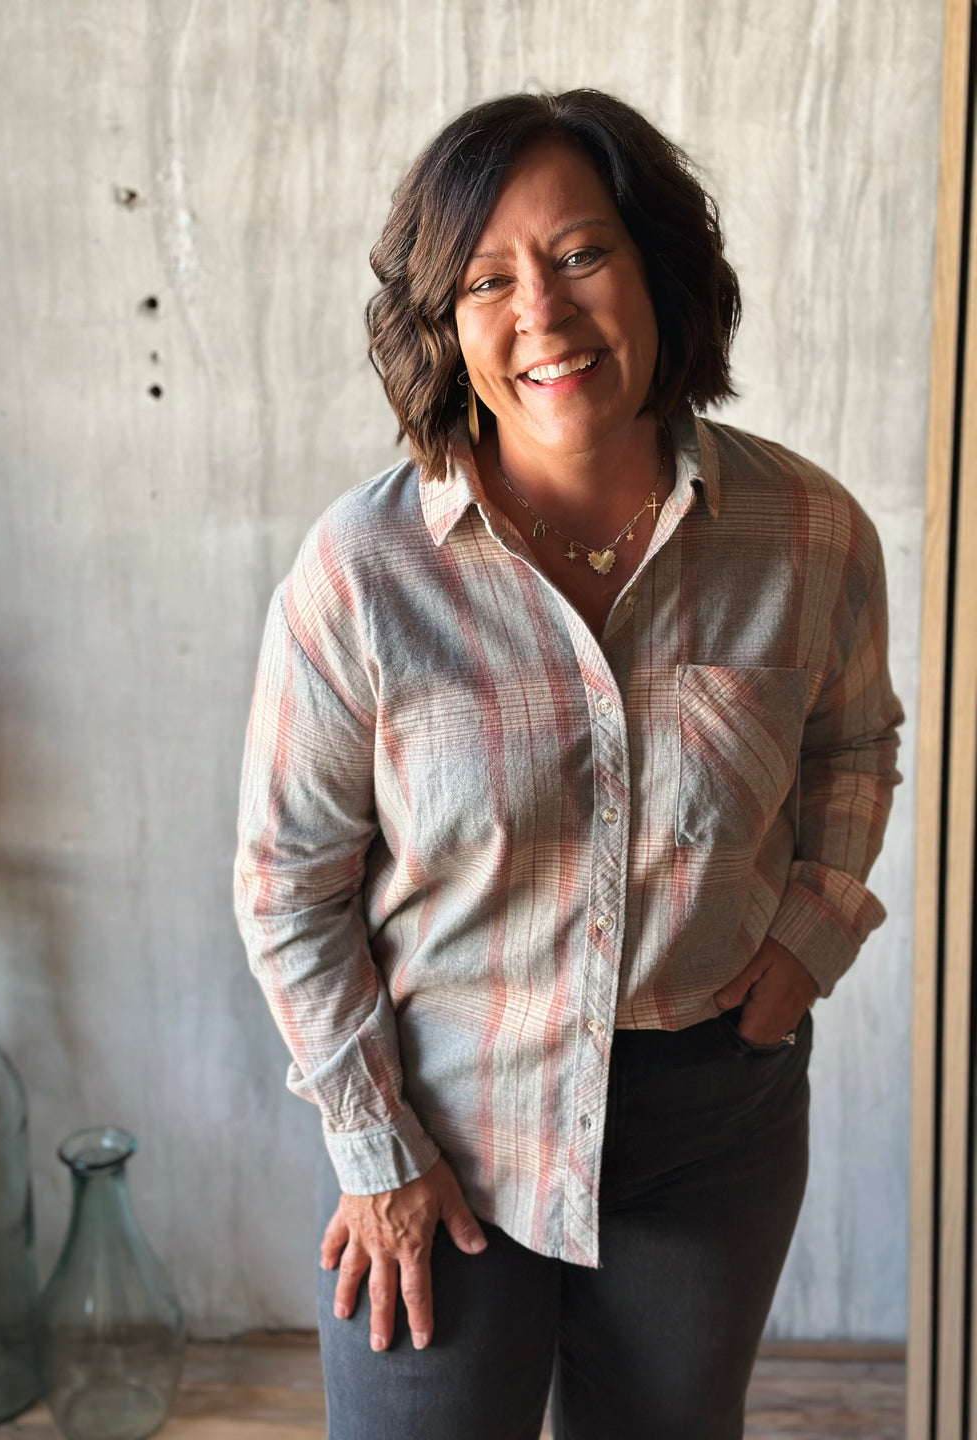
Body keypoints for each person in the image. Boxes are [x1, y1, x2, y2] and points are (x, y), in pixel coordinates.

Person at [234, 89, 903, 1440]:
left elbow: (852, 745)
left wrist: (812, 935)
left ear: (659, 267)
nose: (541, 310)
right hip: (442, 1135)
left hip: (709, 1126)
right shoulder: (362, 575)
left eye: (582, 254)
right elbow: (289, 885)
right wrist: (374, 1150)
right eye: (487, 278)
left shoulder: (812, 534)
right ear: (443, 319)